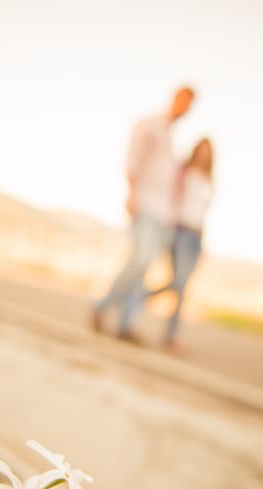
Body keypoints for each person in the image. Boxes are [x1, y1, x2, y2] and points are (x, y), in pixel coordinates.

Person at [91, 87, 195, 342]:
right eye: (184, 101)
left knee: (144, 267)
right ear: (175, 98)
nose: (186, 108)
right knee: (139, 261)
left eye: (190, 105)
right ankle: (102, 306)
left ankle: (126, 324)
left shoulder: (172, 138)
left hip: (163, 214)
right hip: (145, 205)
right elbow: (134, 159)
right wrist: (132, 193)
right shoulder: (151, 125)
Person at [147, 138, 214, 347]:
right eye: (201, 150)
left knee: (183, 287)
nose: (204, 154)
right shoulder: (184, 171)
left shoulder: (209, 179)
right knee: (179, 283)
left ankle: (171, 335)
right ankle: (139, 297)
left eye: (208, 151)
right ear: (195, 151)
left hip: (197, 233)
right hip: (181, 230)